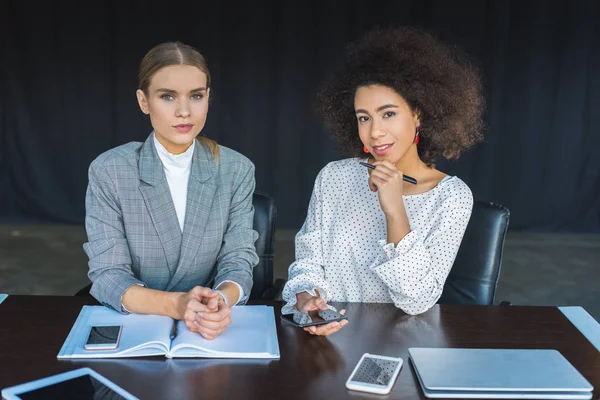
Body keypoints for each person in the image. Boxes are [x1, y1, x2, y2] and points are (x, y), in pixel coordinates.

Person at [282, 27, 484, 336]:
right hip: (327, 342)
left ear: (418, 113)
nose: (374, 131)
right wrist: (307, 299)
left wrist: (394, 211)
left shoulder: (451, 197)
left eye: (387, 114)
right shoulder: (335, 177)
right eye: (364, 117)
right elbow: (308, 259)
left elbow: (417, 300)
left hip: (399, 345)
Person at [83, 42, 259, 340]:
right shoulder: (110, 170)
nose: (184, 111)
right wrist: (177, 304)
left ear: (208, 98)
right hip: (137, 328)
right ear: (143, 101)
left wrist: (220, 301)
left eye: (196, 96)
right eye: (167, 96)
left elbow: (238, 259)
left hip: (207, 330)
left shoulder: (236, 169)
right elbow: (108, 274)